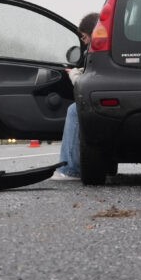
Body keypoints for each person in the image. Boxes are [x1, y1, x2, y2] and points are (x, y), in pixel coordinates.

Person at [52, 12, 99, 181]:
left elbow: (89, 86)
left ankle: (70, 169)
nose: (84, 42)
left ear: (94, 33)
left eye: (85, 37)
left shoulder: (99, 49)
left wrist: (74, 75)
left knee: (75, 109)